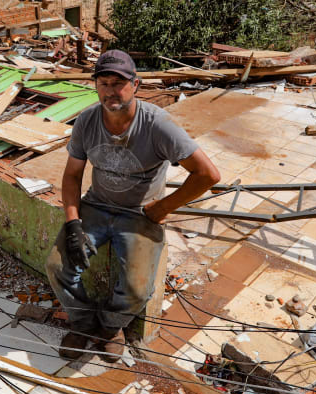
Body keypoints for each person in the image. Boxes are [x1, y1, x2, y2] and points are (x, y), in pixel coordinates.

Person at [46, 50, 221, 362]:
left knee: (138, 289)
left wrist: (161, 208)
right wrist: (73, 223)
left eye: (119, 83)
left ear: (136, 85)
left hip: (139, 214)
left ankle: (111, 327)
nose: (112, 90)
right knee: (58, 266)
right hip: (96, 207)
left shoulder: (157, 125)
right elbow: (72, 175)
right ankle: (84, 325)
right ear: (96, 86)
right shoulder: (87, 121)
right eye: (104, 83)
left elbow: (207, 174)